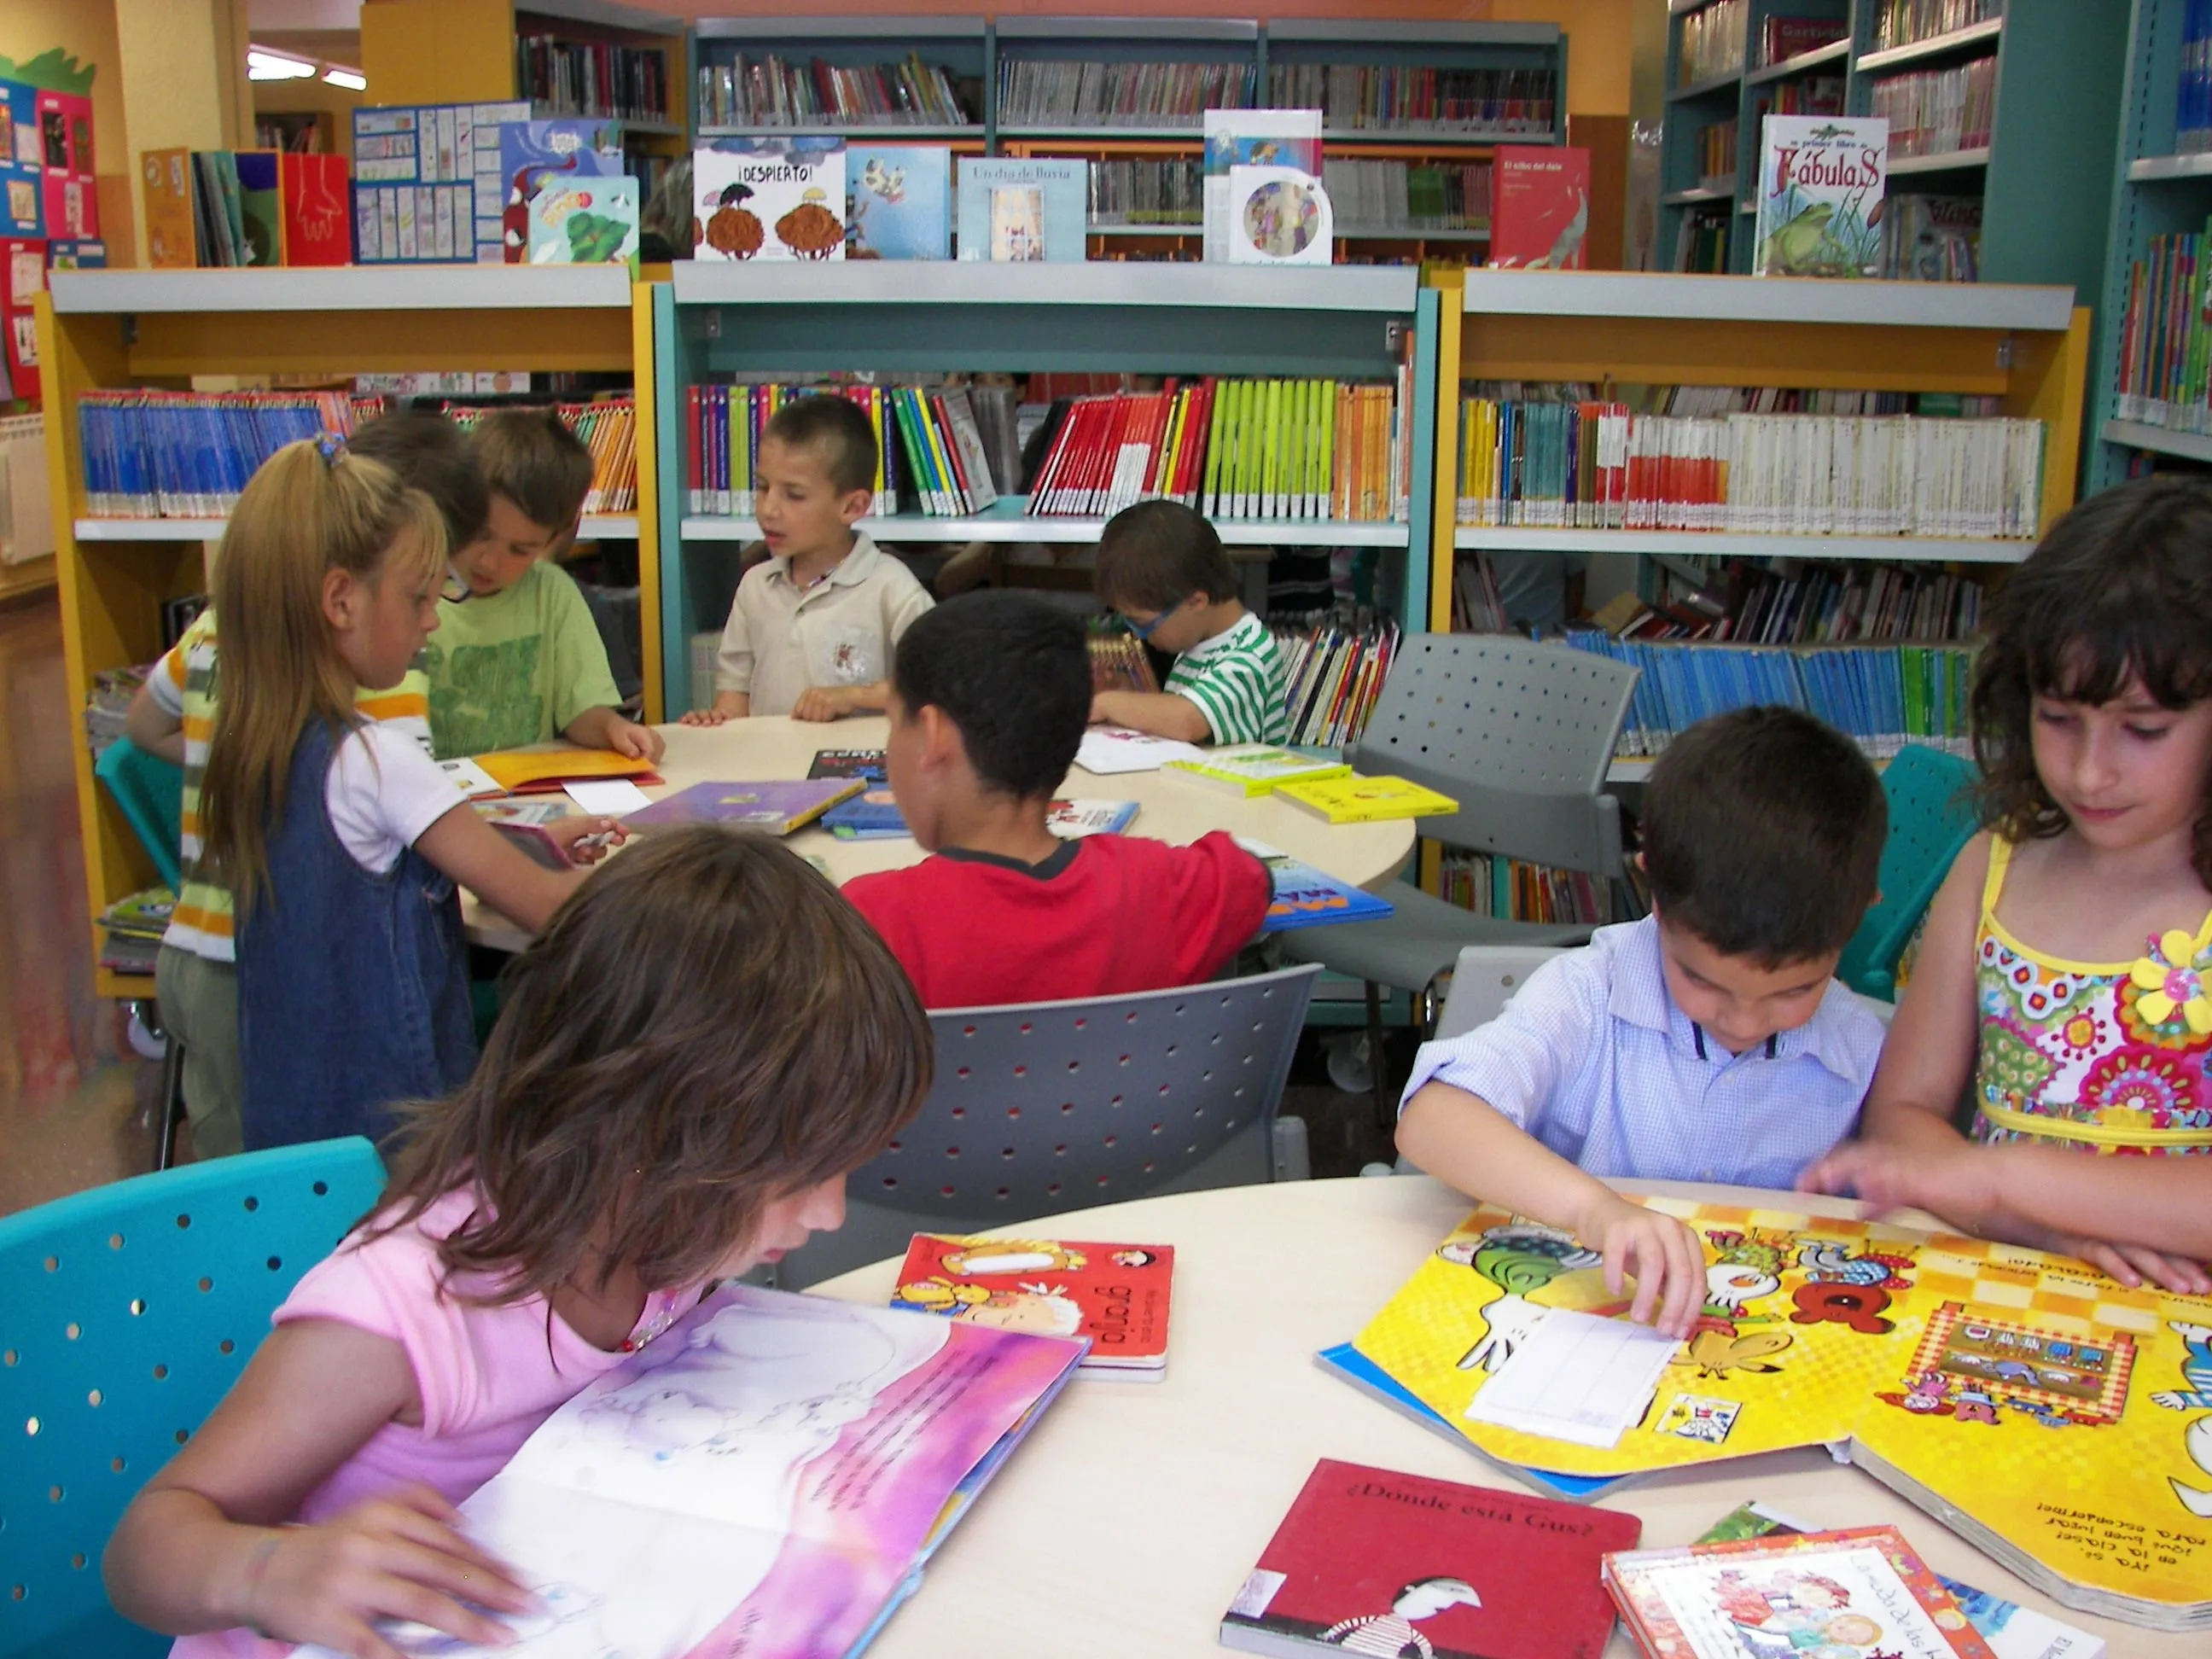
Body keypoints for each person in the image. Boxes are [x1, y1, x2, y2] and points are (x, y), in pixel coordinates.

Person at [102, 829, 933, 1659]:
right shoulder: (406, 1314)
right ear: (651, 1135)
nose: (829, 1214)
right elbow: (146, 1547)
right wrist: (268, 1575)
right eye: (796, 1174)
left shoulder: (665, 1238)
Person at [1803, 477, 2212, 1292]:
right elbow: (1902, 1119)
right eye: (2059, 718)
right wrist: (2033, 1224)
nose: (2091, 769)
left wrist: (2001, 1182)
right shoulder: (1992, 865)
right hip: (2005, 1287)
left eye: (2144, 730)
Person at [1396, 706, 1889, 1337]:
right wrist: (1595, 1210)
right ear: (1654, 890)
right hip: (1566, 1331)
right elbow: (1432, 1118)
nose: (1742, 1022)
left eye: (1793, 991)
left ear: (1861, 915)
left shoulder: (1862, 1053)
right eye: (1704, 981)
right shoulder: (1587, 996)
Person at [197, 438, 622, 1151]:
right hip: (400, 1141)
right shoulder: (376, 757)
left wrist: (517, 842)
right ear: (340, 601)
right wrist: (676, 870)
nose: (432, 620)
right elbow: (546, 907)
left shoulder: (258, 738)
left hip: (300, 1127)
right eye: (420, 596)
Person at [122, 410, 490, 1159]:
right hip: (290, 964)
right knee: (276, 1192)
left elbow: (142, 731)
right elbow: (405, 824)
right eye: (425, 585)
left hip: (196, 949)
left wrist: (227, 765)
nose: (432, 615)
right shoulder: (363, 707)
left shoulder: (214, 633)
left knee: (245, 1166)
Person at [843, 591, 1269, 1007]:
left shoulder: (866, 923)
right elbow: (1250, 877)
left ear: (933, 737)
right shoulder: (1153, 886)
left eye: (895, 723)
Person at [423, 406, 663, 763]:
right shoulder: (416, 593)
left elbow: (580, 712)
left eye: (520, 550)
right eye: (480, 533)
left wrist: (613, 728)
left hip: (524, 799)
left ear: (556, 538)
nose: (490, 561)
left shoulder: (552, 593)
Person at [684, 396, 933, 725]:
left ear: (852, 507)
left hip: (860, 770)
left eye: (794, 495)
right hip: (769, 769)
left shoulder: (891, 587)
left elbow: (935, 683)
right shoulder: (754, 587)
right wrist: (718, 722)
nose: (768, 509)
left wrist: (854, 695)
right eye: (762, 487)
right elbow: (735, 691)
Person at [1090, 498, 1286, 746]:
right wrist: (1125, 691)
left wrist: (1107, 704)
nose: (1139, 635)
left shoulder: (1249, 657)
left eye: (1143, 623)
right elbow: (1173, 718)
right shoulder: (1201, 643)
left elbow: (1187, 720)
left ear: (1196, 601)